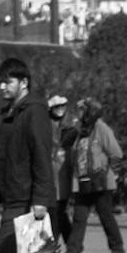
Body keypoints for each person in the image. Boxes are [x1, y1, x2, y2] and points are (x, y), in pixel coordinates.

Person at [0, 58, 92, 253]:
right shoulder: (11, 113)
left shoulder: (34, 112)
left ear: (24, 83)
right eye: (0, 81)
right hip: (14, 195)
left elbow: (41, 156)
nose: (2, 86)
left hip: (27, 197)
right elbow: (4, 155)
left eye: (7, 81)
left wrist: (41, 198)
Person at [63, 98, 126, 253]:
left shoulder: (102, 129)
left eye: (82, 110)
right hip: (82, 182)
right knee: (78, 218)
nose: (79, 114)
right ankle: (73, 252)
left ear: (90, 112)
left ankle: (118, 250)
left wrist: (110, 172)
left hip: (101, 183)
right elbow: (69, 146)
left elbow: (116, 153)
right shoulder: (81, 130)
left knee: (106, 216)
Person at [47, 94, 77, 244]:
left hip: (64, 171)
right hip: (53, 171)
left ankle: (64, 245)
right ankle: (71, 244)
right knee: (57, 211)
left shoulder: (70, 125)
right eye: (57, 106)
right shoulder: (47, 124)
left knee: (58, 211)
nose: (60, 109)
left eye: (62, 106)